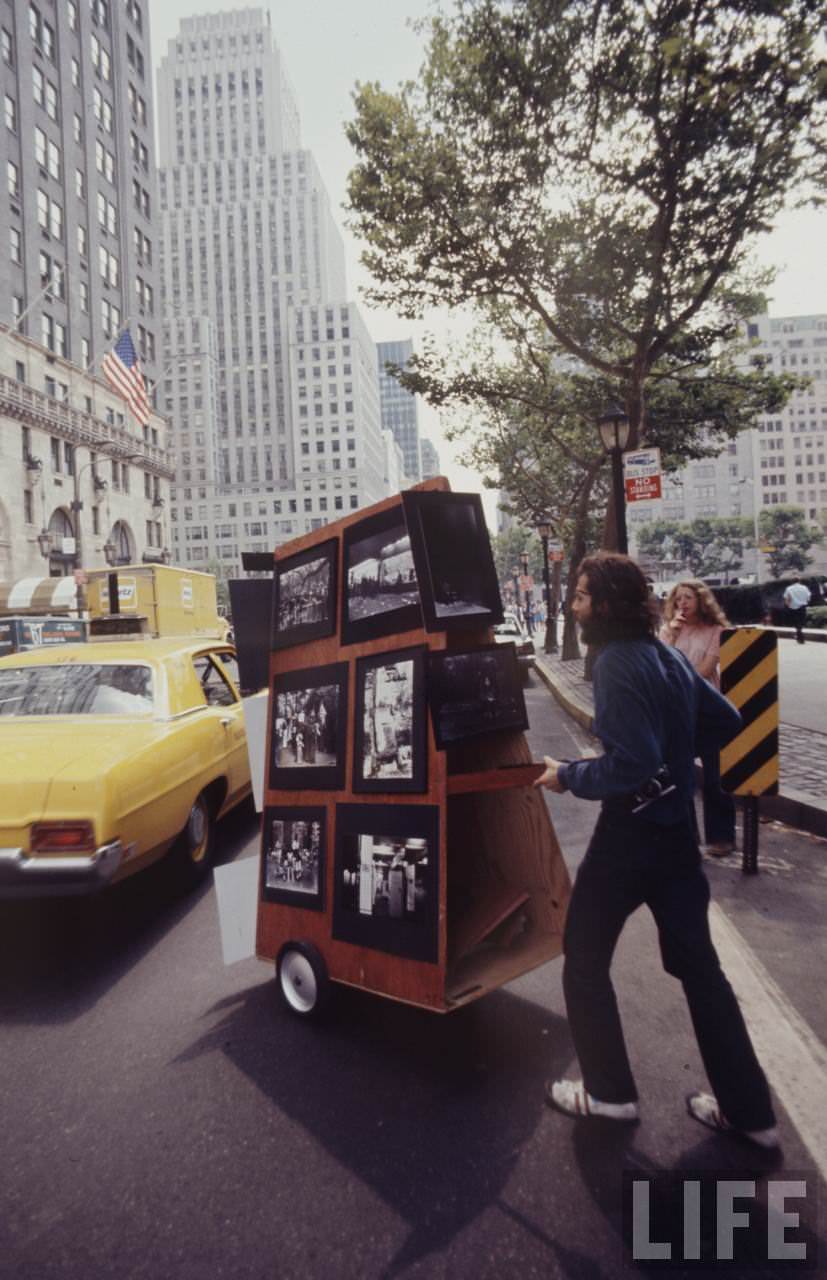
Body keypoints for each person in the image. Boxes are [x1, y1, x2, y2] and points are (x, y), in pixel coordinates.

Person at [534, 552, 778, 1148]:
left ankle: (611, 1095)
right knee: (701, 971)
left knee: (584, 954)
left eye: (583, 596)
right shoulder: (665, 655)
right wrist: (676, 759)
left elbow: (630, 764)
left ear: (609, 605)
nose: (574, 606)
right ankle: (753, 1115)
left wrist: (566, 775)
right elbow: (725, 717)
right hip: (677, 836)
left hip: (629, 837)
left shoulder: (615, 662)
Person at [659, 579, 736, 856]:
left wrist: (677, 673)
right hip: (678, 709)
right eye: (678, 599)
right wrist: (671, 635)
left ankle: (722, 837)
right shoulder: (669, 631)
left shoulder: (716, 630)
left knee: (714, 777)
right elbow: (658, 664)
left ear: (701, 600)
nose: (682, 604)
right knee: (680, 774)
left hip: (707, 707)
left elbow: (705, 670)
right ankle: (687, 837)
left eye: (688, 598)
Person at [783, 575, 811, 644]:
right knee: (801, 621)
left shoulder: (789, 588)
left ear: (792, 581)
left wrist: (787, 605)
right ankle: (799, 635)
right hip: (802, 606)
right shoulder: (804, 587)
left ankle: (799, 635)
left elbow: (787, 599)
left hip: (793, 607)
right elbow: (808, 597)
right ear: (799, 581)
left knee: (796, 622)